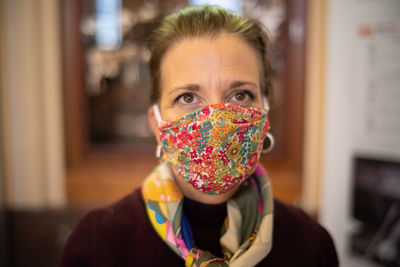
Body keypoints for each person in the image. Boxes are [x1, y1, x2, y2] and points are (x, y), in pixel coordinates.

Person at [61, 5, 339, 267]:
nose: (215, 121)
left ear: (264, 113)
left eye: (240, 95)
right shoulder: (98, 245)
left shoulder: (310, 244)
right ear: (157, 124)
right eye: (188, 97)